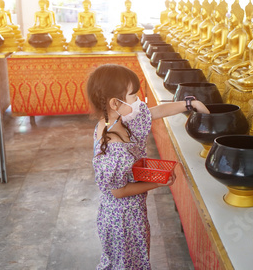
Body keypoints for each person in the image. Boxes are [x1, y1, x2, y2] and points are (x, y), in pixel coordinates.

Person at [87, 64, 208, 269]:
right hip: (122, 221)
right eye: (133, 96)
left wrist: (190, 104)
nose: (138, 101)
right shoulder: (114, 147)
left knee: (133, 261)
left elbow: (154, 112)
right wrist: (158, 182)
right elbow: (118, 191)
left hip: (131, 213)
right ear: (115, 102)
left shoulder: (117, 120)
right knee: (126, 265)